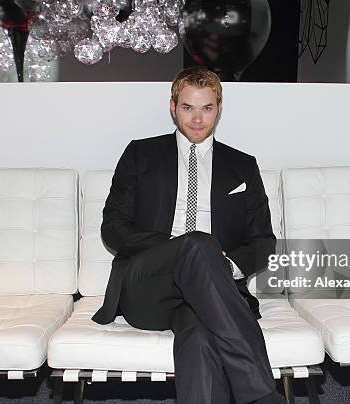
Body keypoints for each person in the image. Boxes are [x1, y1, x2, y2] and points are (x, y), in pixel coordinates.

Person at [91, 66, 286, 404]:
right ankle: (261, 394)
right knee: (197, 243)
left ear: (219, 108)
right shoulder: (141, 154)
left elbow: (262, 241)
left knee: (198, 339)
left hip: (211, 290)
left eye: (207, 108)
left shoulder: (242, 165)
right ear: (173, 107)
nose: (197, 119)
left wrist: (225, 266)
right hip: (147, 284)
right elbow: (113, 228)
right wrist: (180, 250)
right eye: (188, 107)